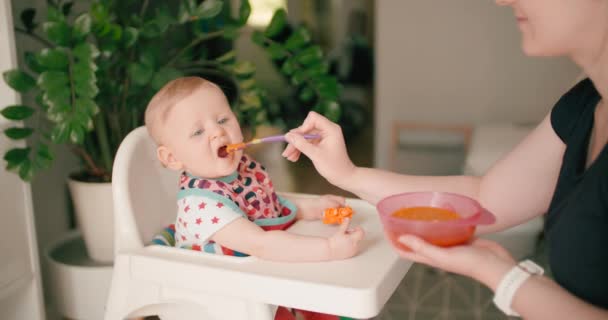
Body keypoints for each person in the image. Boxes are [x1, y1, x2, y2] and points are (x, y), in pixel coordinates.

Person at [281, 0, 608, 318]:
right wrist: (347, 174)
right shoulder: (582, 105)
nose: (502, 0)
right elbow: (485, 198)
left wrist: (504, 278)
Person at [144, 76, 365, 319]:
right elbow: (262, 244)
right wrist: (329, 248)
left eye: (222, 119)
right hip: (226, 300)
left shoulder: (240, 171)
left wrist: (311, 208)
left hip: (259, 279)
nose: (218, 131)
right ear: (172, 158)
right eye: (198, 131)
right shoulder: (202, 206)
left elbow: (265, 205)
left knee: (332, 302)